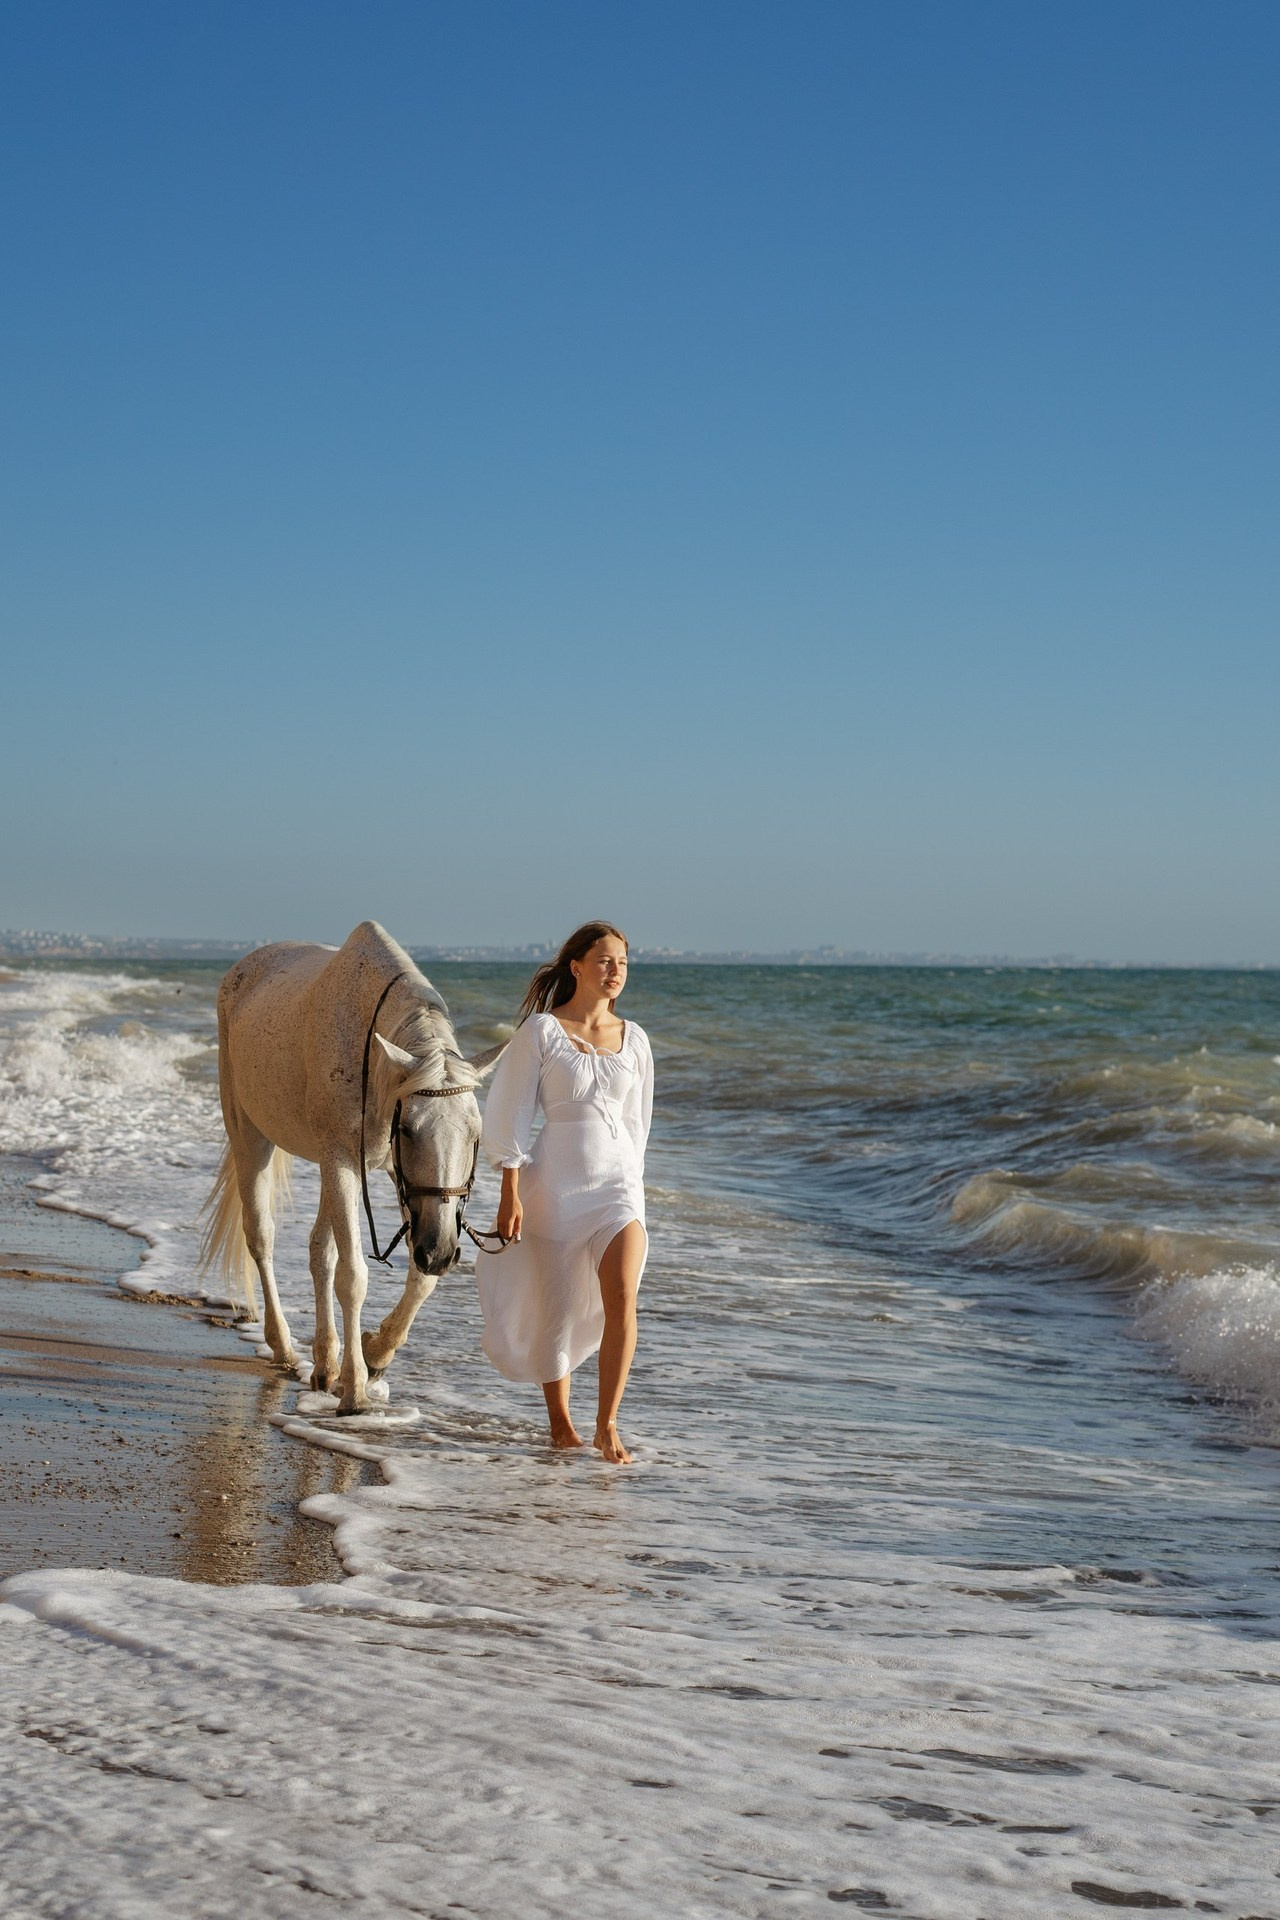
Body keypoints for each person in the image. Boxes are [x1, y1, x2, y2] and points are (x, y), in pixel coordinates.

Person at [474, 921, 653, 1463]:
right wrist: (510, 1190)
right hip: (556, 1187)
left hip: (618, 1188)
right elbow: (510, 1111)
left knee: (622, 1294)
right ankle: (560, 1425)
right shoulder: (542, 1032)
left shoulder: (635, 1039)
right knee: (558, 1311)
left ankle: (607, 1423)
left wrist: (635, 1184)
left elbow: (638, 1123)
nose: (615, 970)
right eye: (604, 960)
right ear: (576, 966)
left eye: (622, 962)